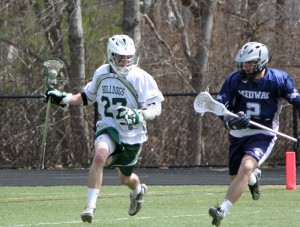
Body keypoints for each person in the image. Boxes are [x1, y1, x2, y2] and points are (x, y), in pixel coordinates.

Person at [44, 34, 164, 223]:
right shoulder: (102, 73)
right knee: (99, 157)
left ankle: (138, 190)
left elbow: (156, 108)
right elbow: (87, 97)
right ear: (110, 55)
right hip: (109, 127)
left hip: (132, 135)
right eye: (120, 57)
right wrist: (63, 98)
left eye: (127, 57)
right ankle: (90, 207)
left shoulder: (140, 77)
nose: (124, 61)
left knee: (125, 179)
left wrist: (139, 114)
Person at [208, 42, 300, 226]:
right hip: (237, 133)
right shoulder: (234, 79)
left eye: (249, 63)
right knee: (237, 177)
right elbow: (220, 108)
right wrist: (230, 120)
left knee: (248, 165)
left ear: (261, 62)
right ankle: (252, 179)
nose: (245, 66)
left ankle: (222, 210)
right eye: (243, 63)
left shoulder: (278, 80)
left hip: (263, 133)